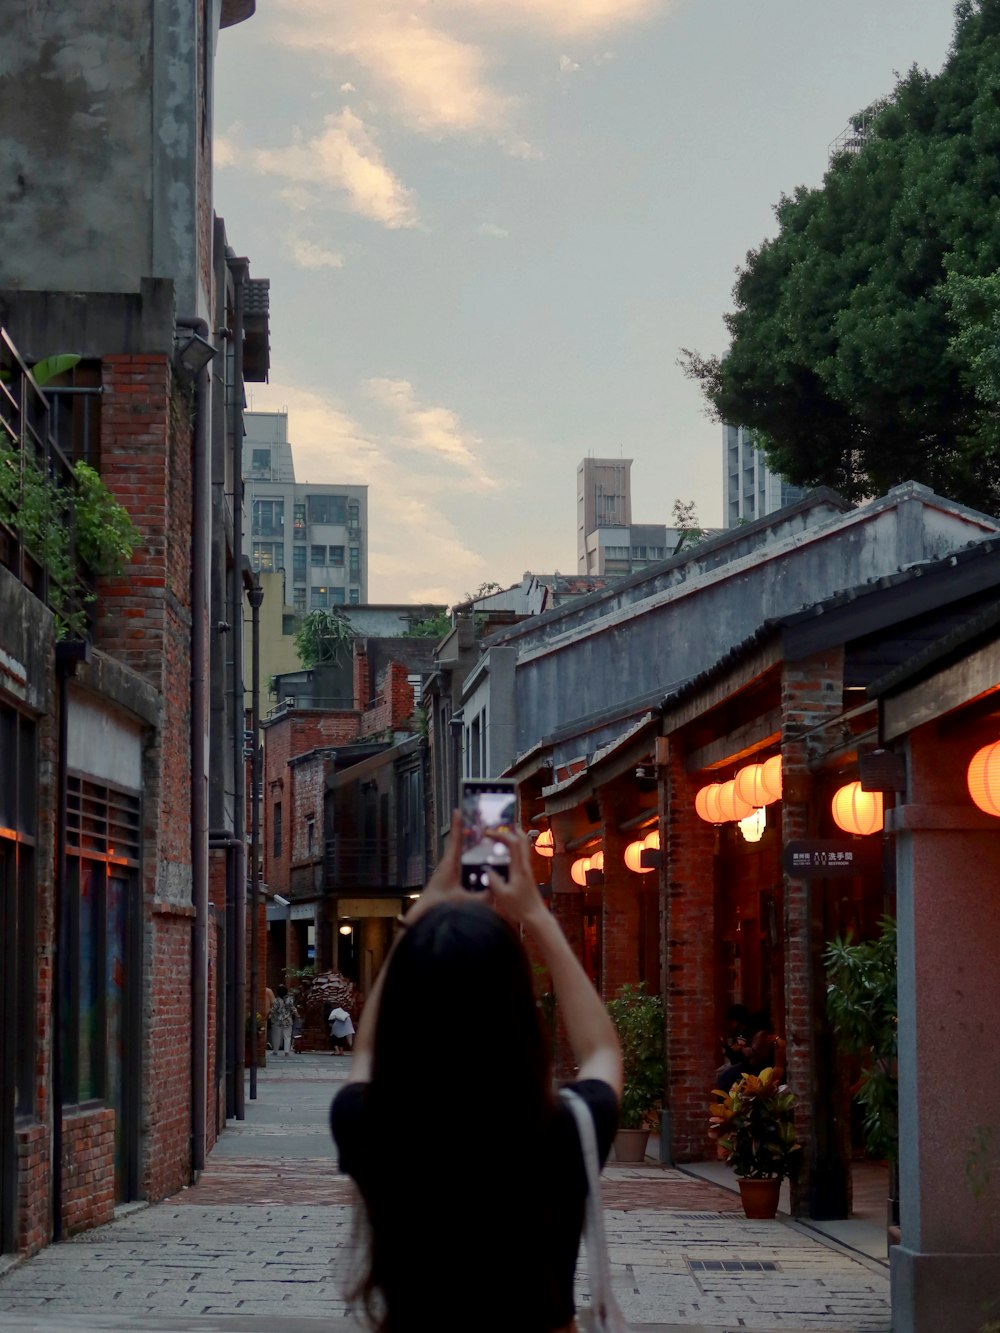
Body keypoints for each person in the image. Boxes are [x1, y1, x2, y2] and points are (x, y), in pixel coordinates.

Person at [330, 811, 624, 1333]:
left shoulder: (371, 1124)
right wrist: (535, 914)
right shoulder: (565, 1128)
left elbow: (368, 1054)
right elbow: (601, 1049)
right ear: (519, 1010)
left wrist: (420, 917)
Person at [270, 983, 297, 1056]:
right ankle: (286, 1052)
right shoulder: (290, 1000)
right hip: (288, 1020)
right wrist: (296, 1014)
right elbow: (293, 1009)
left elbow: (273, 1010)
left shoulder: (276, 1000)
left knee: (276, 1036)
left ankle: (275, 1051)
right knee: (287, 1036)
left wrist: (271, 1017)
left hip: (277, 1020)